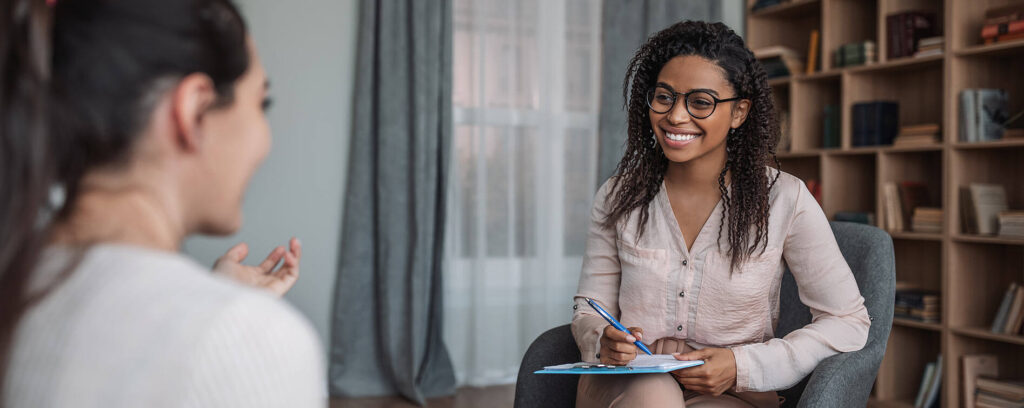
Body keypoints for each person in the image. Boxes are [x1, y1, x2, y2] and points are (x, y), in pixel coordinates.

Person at [0, 0, 324, 406]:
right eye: (262, 103)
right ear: (194, 111)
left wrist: (213, 298)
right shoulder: (254, 344)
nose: (266, 140)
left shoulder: (17, 288)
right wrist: (227, 322)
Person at [571, 21, 870, 407]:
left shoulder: (785, 199)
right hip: (625, 384)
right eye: (664, 97)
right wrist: (602, 339)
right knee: (653, 395)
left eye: (700, 102)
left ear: (739, 112)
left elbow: (847, 321)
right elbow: (589, 306)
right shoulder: (618, 196)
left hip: (731, 392)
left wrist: (741, 365)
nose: (676, 116)